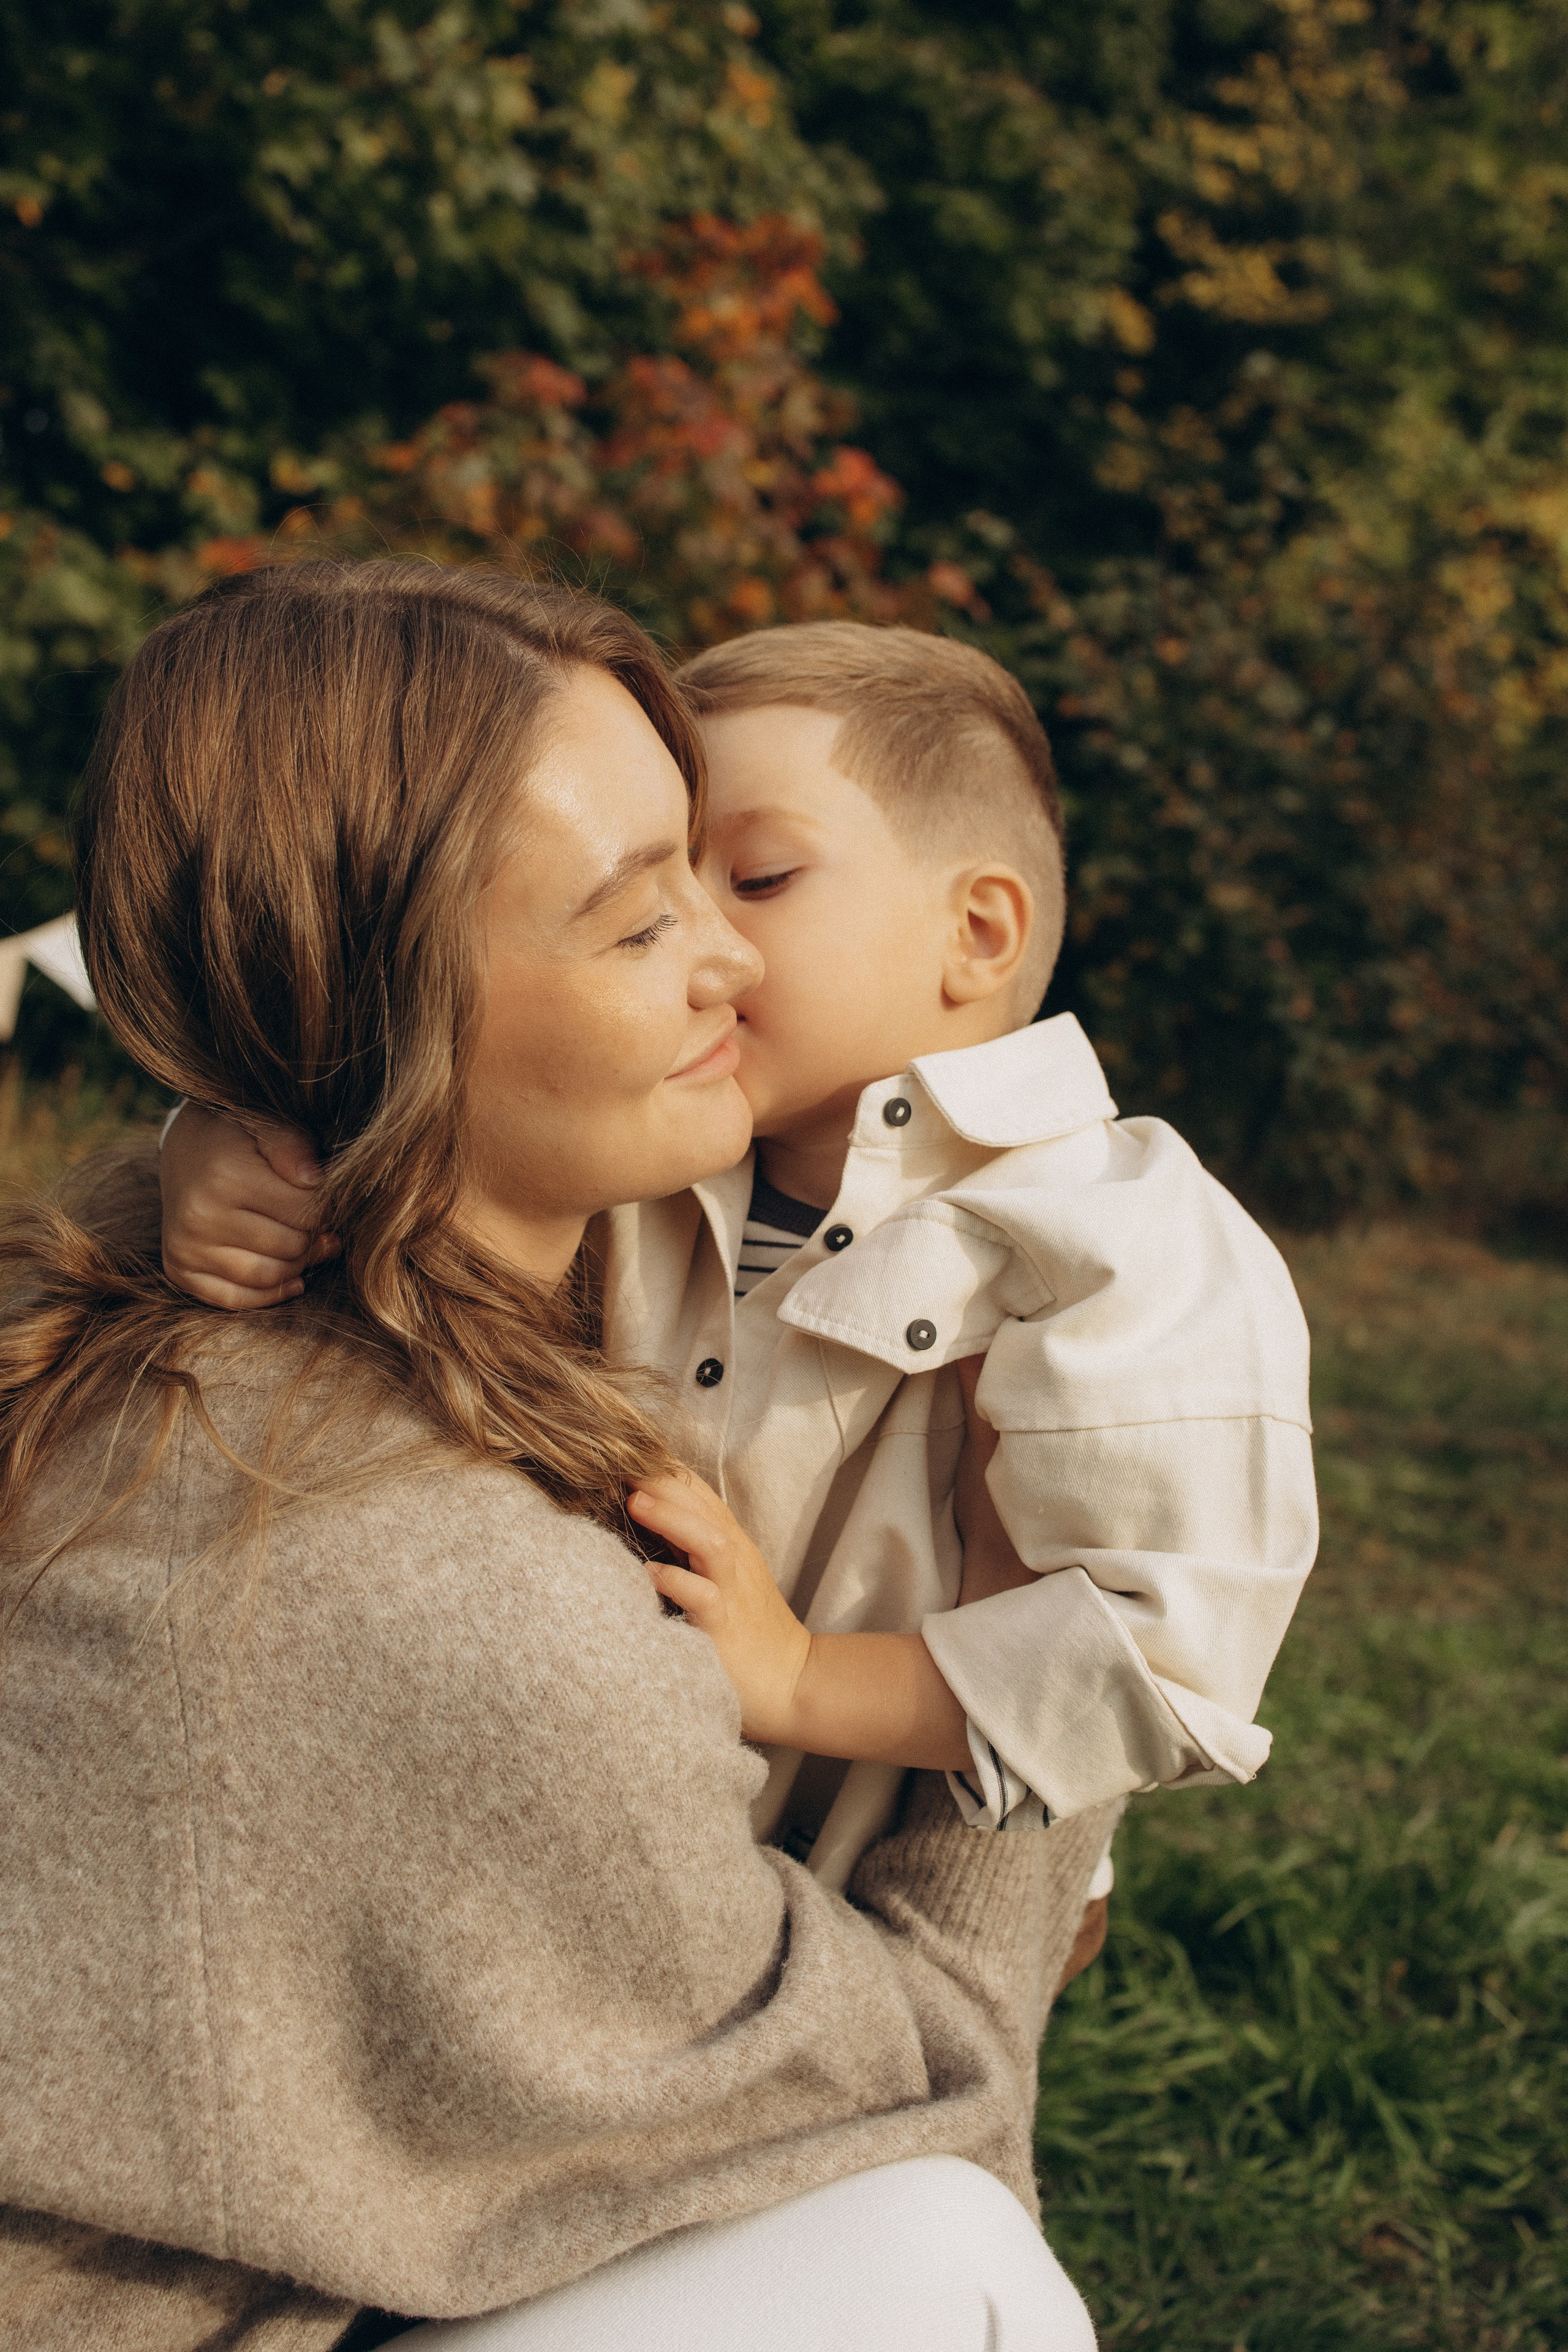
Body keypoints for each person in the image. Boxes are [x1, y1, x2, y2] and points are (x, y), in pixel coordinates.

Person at [0, 564, 1111, 2352]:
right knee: (937, 2264)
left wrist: (200, 1139)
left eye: (718, 869)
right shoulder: (462, 1591)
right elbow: (914, 2096)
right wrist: (1042, 1672)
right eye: (638, 920)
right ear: (388, 1016)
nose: (736, 957)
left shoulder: (114, 1316)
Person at [162, 621, 1317, 1915]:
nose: (699, 936)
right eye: (653, 896)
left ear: (977, 934)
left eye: (757, 876)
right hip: (615, 1847)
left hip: (876, 1874)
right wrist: (231, 1153)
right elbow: (426, 1142)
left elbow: (1160, 1667)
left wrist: (804, 1677)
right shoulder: (645, 1145)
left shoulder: (1116, 1241)